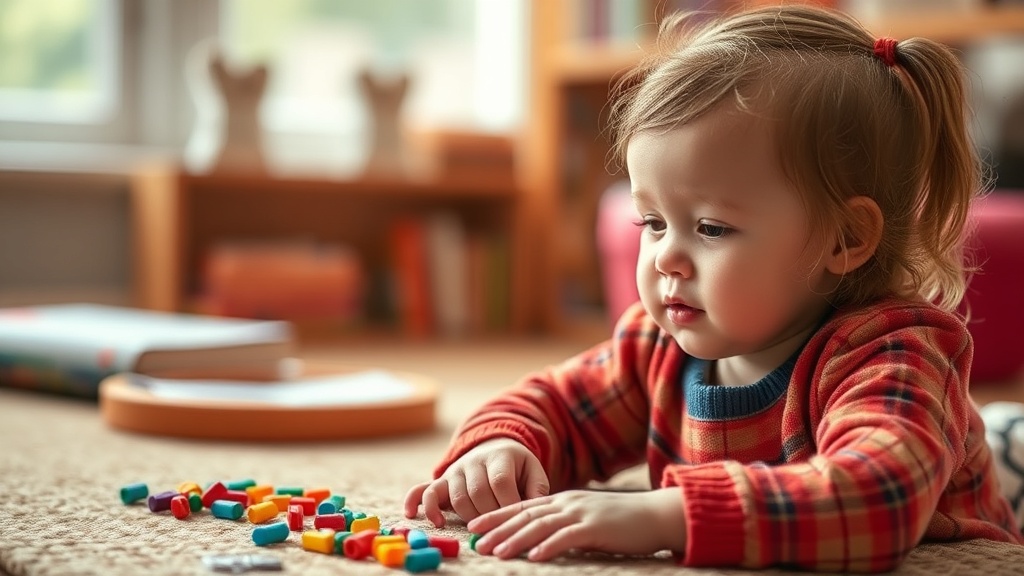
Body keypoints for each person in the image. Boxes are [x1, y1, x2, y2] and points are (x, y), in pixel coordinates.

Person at [403, 4, 1024, 571]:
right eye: (651, 222)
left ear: (845, 237)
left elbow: (877, 499)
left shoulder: (894, 353)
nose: (666, 258)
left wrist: (666, 514)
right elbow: (554, 404)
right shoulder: (657, 346)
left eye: (710, 228)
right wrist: (500, 445)